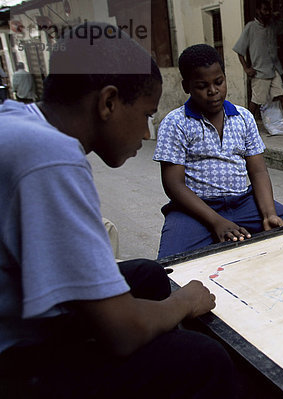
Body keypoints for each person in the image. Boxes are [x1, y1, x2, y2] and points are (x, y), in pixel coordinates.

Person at [0, 22, 236, 398]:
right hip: (15, 361)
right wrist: (185, 301)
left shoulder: (23, 121)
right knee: (204, 358)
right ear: (108, 102)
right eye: (146, 115)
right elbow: (122, 331)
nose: (146, 134)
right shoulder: (51, 158)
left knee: (147, 274)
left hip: (21, 315)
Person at [153, 44, 283, 259]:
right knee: (170, 265)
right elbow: (174, 185)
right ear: (186, 86)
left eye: (218, 82)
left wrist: (269, 213)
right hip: (194, 209)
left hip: (243, 202)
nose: (213, 91)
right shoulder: (175, 123)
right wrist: (217, 222)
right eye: (202, 86)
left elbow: (258, 172)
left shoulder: (243, 117)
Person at [233, 0, 283, 137]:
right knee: (255, 102)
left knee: (282, 97)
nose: (267, 13)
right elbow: (239, 50)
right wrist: (246, 69)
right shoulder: (251, 27)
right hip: (260, 72)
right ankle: (245, 130)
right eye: (265, 10)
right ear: (258, 11)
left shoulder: (272, 27)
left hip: (274, 69)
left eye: (268, 10)